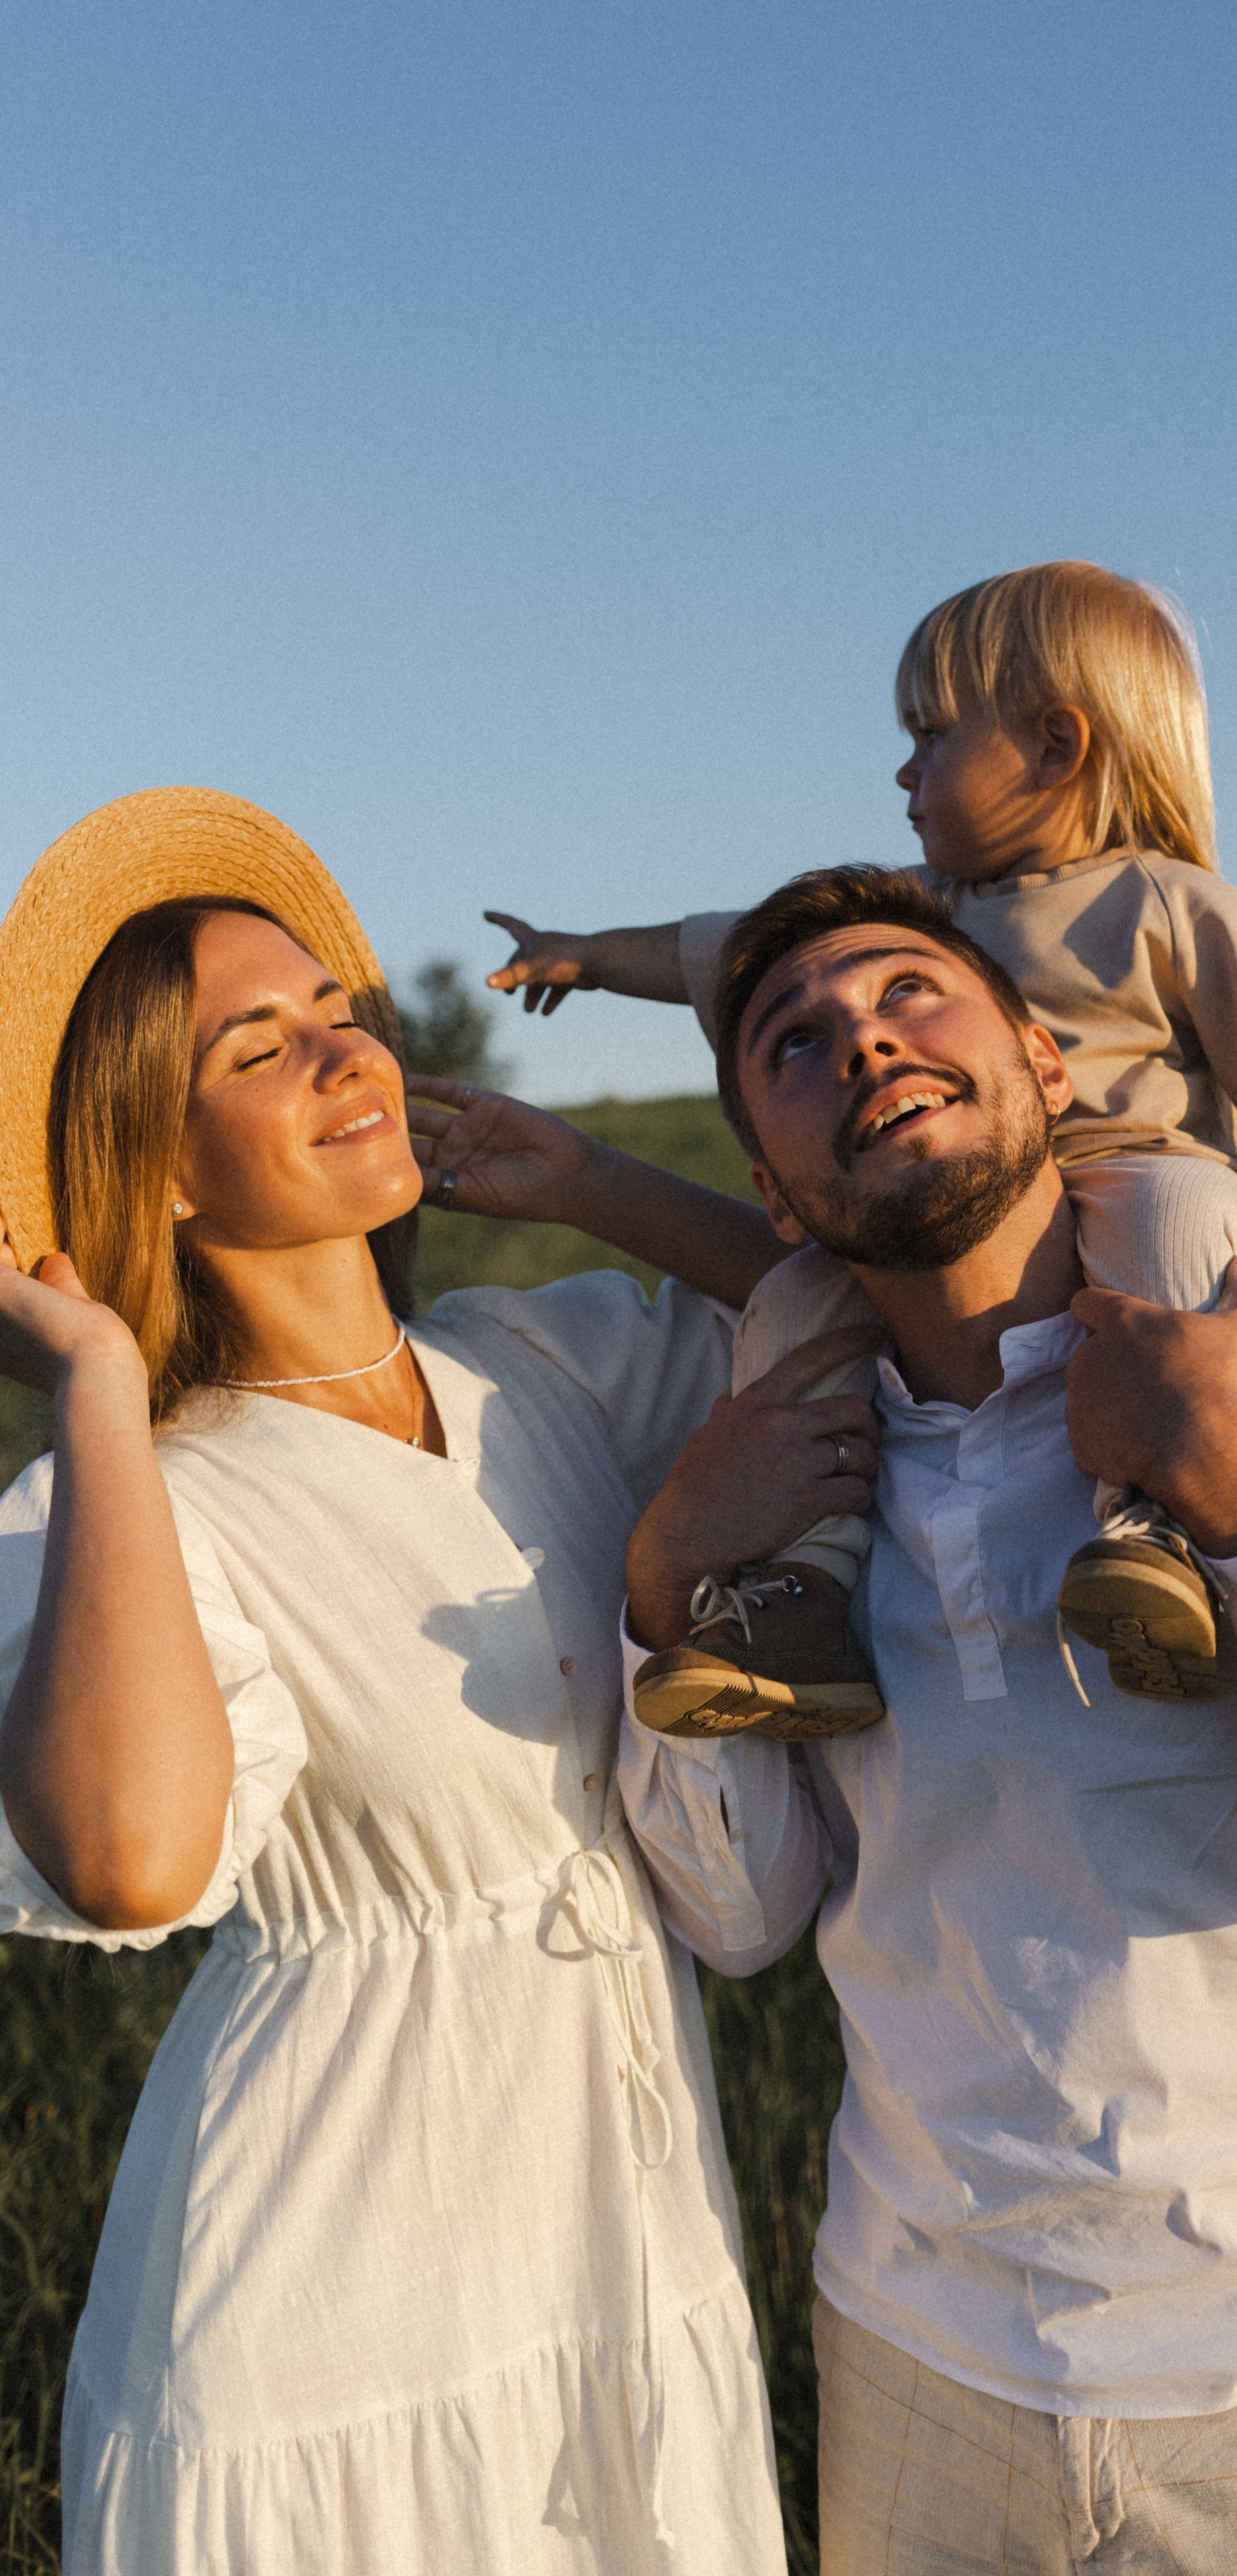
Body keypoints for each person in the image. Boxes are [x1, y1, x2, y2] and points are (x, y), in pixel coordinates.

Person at [593, 863, 1237, 2572]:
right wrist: (672, 1570)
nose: (865, 1045)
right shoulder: (791, 1448)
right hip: (917, 2368)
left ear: (1047, 1061)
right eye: (795, 1041)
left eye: (910, 993)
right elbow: (739, 1917)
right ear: (770, 1185)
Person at [0, 787, 825, 2575]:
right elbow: (130, 1859)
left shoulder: (547, 1359)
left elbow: (865, 1320)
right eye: (261, 1046)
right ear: (153, 1160)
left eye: (340, 1016)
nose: (343, 1056)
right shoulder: (121, 1500)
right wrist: (88, 1380)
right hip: (327, 2347)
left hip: (624, 2247)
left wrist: (593, 1179)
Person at [480, 561, 1237, 1733]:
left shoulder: (1159, 902)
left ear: (1057, 748)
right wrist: (580, 955)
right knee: (792, 1316)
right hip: (950, 1223)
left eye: (930, 734)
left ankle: (1162, 1533)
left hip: (1142, 1169)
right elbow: (714, 952)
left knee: (1184, 1234)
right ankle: (796, 1593)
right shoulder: (911, 909)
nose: (905, 773)